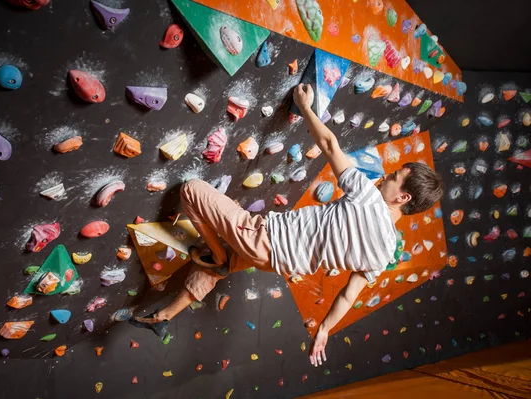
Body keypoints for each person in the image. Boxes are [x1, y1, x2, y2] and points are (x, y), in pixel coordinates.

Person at [128, 83, 444, 367]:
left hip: (265, 238)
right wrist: (324, 330)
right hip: (278, 262)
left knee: (191, 190)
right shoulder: (385, 251)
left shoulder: (368, 197)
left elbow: (331, 146)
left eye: (394, 177)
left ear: (402, 197)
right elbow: (348, 296)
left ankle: (219, 256)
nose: (386, 176)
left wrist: (305, 106)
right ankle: (165, 316)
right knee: (218, 266)